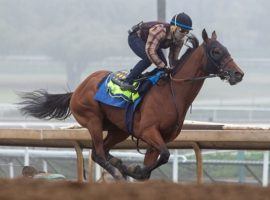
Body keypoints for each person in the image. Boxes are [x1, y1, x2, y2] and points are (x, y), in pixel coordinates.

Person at [119, 12, 193, 91]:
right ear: (173, 27)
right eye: (182, 30)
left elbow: (173, 58)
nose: (184, 34)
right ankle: (127, 81)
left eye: (187, 32)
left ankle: (144, 78)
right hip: (136, 37)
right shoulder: (160, 31)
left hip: (152, 43)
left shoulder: (179, 41)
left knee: (163, 65)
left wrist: (175, 70)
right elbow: (150, 51)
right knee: (148, 59)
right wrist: (163, 67)